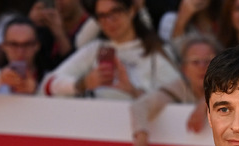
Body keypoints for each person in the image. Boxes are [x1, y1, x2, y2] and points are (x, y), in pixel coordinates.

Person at [41, 0, 181, 98]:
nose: (109, 21)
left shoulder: (156, 51)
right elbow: (47, 85)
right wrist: (83, 83)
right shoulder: (95, 49)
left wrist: (133, 91)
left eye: (116, 12)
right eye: (102, 16)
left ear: (131, 11)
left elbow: (177, 99)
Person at [127, 34, 220, 146]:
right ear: (184, 69)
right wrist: (141, 137)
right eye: (195, 62)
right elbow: (140, 105)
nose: (202, 67)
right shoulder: (179, 87)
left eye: (208, 61)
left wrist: (205, 102)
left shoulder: (233, 84)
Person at [0, 15, 43, 98]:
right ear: (3, 46)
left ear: (37, 46)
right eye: (14, 44)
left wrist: (36, 91)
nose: (20, 51)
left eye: (27, 44)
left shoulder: (49, 78)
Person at [29, 0, 88, 70]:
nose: (60, 2)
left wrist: (59, 34)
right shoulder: (46, 26)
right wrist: (30, 25)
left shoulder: (93, 27)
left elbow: (77, 68)